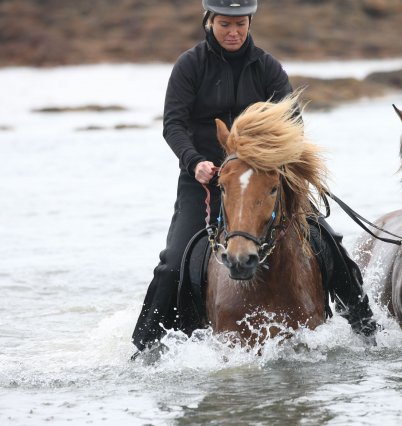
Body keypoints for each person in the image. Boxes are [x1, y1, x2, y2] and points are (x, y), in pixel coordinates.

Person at [131, 0, 377, 358]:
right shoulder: (189, 66)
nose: (233, 32)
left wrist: (274, 162)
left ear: (249, 24)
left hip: (266, 182)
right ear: (209, 22)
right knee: (172, 264)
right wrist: (194, 161)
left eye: (241, 24)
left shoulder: (267, 67)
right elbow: (174, 125)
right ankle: (146, 348)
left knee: (329, 244)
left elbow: (293, 125)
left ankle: (367, 332)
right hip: (205, 181)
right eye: (225, 24)